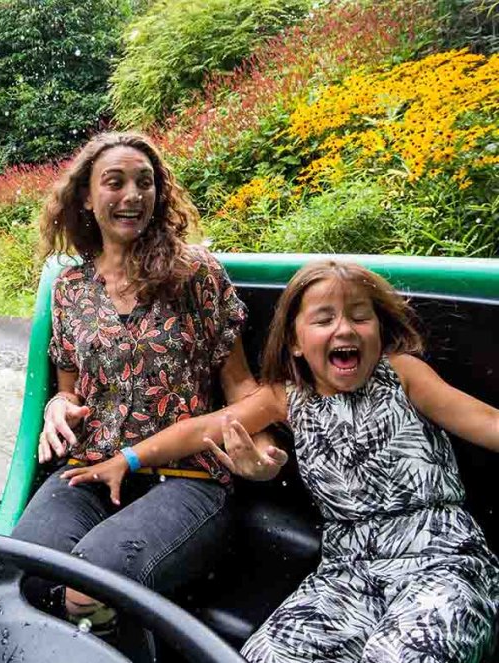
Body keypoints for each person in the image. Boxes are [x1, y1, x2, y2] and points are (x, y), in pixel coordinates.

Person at [9, 132, 279, 656]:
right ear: (86, 197)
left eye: (145, 183)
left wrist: (262, 456)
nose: (133, 195)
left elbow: (243, 387)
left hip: (189, 478)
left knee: (92, 587)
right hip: (91, 467)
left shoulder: (196, 273)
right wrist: (55, 408)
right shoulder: (70, 289)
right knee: (29, 571)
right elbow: (69, 392)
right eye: (115, 182)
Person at [154, 261, 498, 662]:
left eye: (359, 317)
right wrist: (125, 459)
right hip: (348, 572)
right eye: (324, 319)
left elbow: (489, 423)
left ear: (380, 331)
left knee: (400, 656)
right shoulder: (287, 398)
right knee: (265, 655)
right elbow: (201, 430)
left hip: (441, 559)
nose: (345, 329)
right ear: (296, 341)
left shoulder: (402, 376)